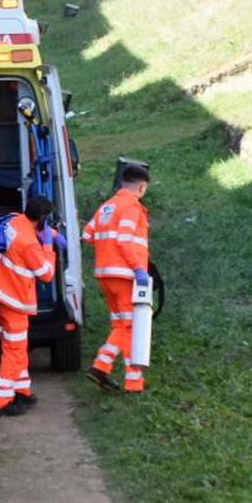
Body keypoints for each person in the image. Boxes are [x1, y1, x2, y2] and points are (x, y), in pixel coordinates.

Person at [0, 193, 63, 417]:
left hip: (0, 297)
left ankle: (21, 390)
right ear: (41, 218)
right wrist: (49, 247)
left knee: (15, 347)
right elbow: (46, 274)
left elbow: (31, 231)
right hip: (15, 302)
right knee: (14, 351)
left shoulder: (13, 220)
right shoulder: (30, 245)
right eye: (46, 219)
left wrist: (52, 234)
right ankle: (2, 402)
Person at [81, 163, 151, 393]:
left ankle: (133, 382)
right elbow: (124, 238)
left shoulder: (107, 207)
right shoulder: (132, 206)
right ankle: (102, 366)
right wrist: (138, 268)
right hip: (125, 274)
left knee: (121, 325)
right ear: (141, 187)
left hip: (105, 274)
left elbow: (88, 234)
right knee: (129, 326)